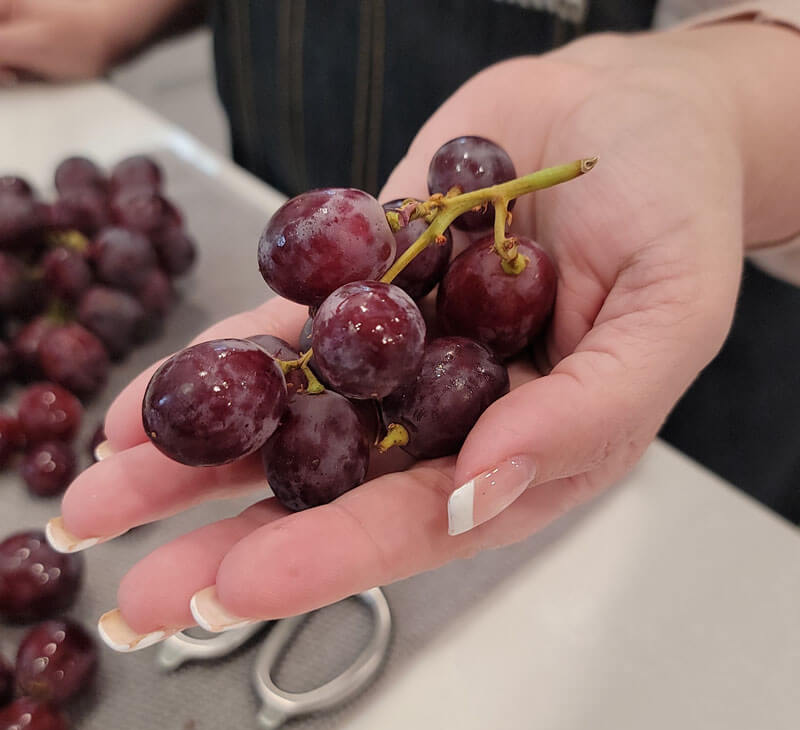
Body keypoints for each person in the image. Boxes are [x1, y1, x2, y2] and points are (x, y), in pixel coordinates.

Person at [1, 1, 798, 649]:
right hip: (293, 152)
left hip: (705, 351)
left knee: (688, 612)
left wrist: (715, 100)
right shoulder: (368, 281)